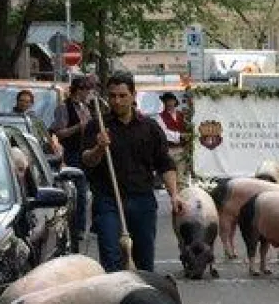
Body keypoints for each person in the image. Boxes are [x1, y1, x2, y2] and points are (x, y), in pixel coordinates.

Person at [81, 72, 184, 272]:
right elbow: (87, 161)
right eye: (112, 96)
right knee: (111, 257)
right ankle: (114, 299)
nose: (117, 101)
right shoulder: (98, 126)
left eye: (122, 95)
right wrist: (99, 148)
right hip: (108, 200)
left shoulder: (150, 128)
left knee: (144, 260)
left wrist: (174, 194)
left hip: (142, 200)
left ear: (133, 95)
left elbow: (165, 163)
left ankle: (141, 298)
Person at [52, 75, 94, 251]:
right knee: (78, 191)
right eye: (86, 90)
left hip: (86, 150)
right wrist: (79, 127)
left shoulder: (86, 107)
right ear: (79, 90)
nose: (88, 94)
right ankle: (77, 227)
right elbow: (60, 133)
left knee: (85, 190)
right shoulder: (64, 108)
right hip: (72, 152)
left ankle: (82, 226)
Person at [155, 92, 192, 187]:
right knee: (170, 179)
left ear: (175, 102)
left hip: (182, 150)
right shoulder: (159, 117)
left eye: (171, 100)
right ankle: (174, 196)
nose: (169, 103)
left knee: (181, 179)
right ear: (164, 102)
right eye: (167, 101)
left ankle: (182, 197)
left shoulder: (182, 115)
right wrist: (180, 135)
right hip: (169, 150)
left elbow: (188, 128)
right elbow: (164, 133)